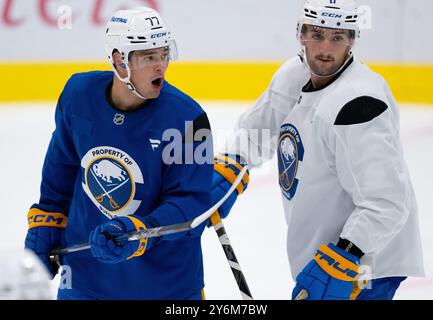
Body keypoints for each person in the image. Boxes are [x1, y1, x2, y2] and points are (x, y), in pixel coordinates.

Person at [212, 0, 424, 300]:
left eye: (337, 37)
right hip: (325, 256)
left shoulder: (358, 103)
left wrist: (344, 257)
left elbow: (386, 201)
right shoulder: (294, 74)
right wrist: (232, 163)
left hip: (365, 264)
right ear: (301, 34)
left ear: (352, 41)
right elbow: (258, 128)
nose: (325, 48)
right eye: (317, 34)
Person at [24, 7, 213, 300]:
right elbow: (61, 166)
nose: (161, 66)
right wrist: (48, 217)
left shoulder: (188, 118)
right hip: (85, 279)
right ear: (119, 60)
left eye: (164, 54)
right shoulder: (78, 95)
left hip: (165, 285)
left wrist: (140, 231)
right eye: (149, 57)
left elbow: (191, 204)